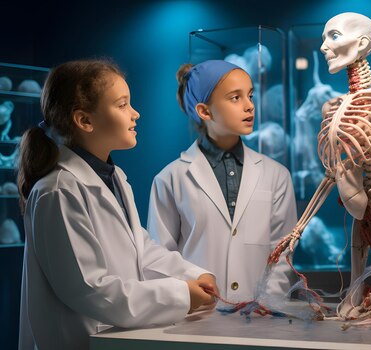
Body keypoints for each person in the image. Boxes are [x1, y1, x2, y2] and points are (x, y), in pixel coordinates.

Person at [17, 60, 218, 350]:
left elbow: (141, 249)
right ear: (85, 121)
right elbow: (89, 289)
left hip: (115, 338)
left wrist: (193, 275)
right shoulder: (59, 191)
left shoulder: (114, 178)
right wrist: (180, 296)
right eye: (122, 105)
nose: (135, 114)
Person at [148, 60, 296, 302]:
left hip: (261, 319)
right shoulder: (170, 179)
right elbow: (160, 257)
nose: (250, 107)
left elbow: (281, 254)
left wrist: (267, 306)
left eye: (250, 95)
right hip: (196, 319)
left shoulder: (276, 175)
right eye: (235, 98)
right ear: (204, 111)